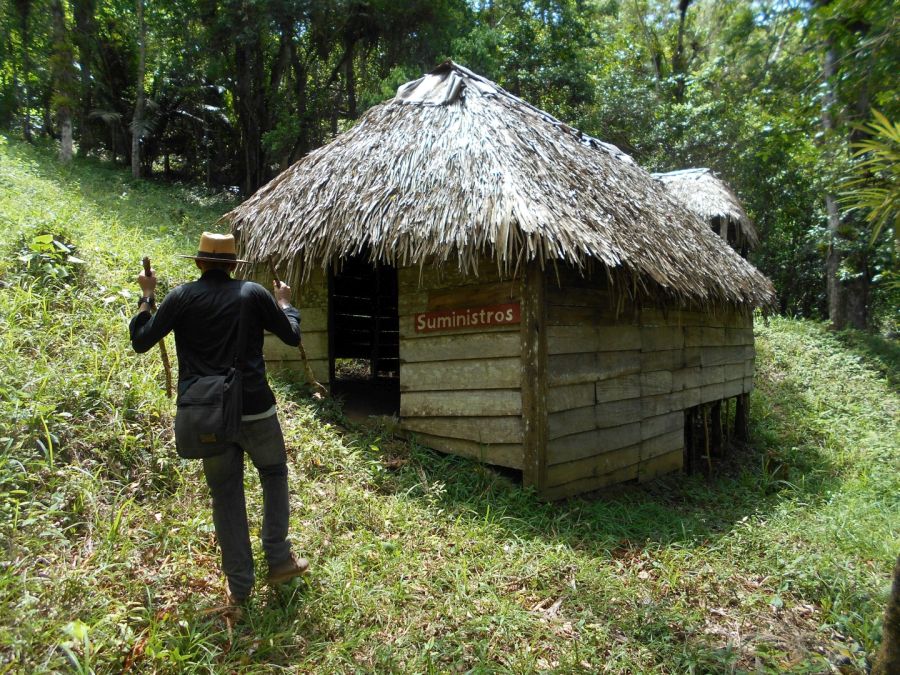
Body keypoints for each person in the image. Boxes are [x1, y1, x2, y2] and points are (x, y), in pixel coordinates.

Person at [130, 232, 308, 608]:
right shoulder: (253, 293)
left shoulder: (180, 297)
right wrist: (286, 304)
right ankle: (279, 558)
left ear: (198, 263)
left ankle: (240, 587)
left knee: (225, 494)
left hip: (207, 413)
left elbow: (142, 339)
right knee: (273, 474)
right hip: (256, 407)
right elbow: (292, 337)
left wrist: (147, 295)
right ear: (232, 265)